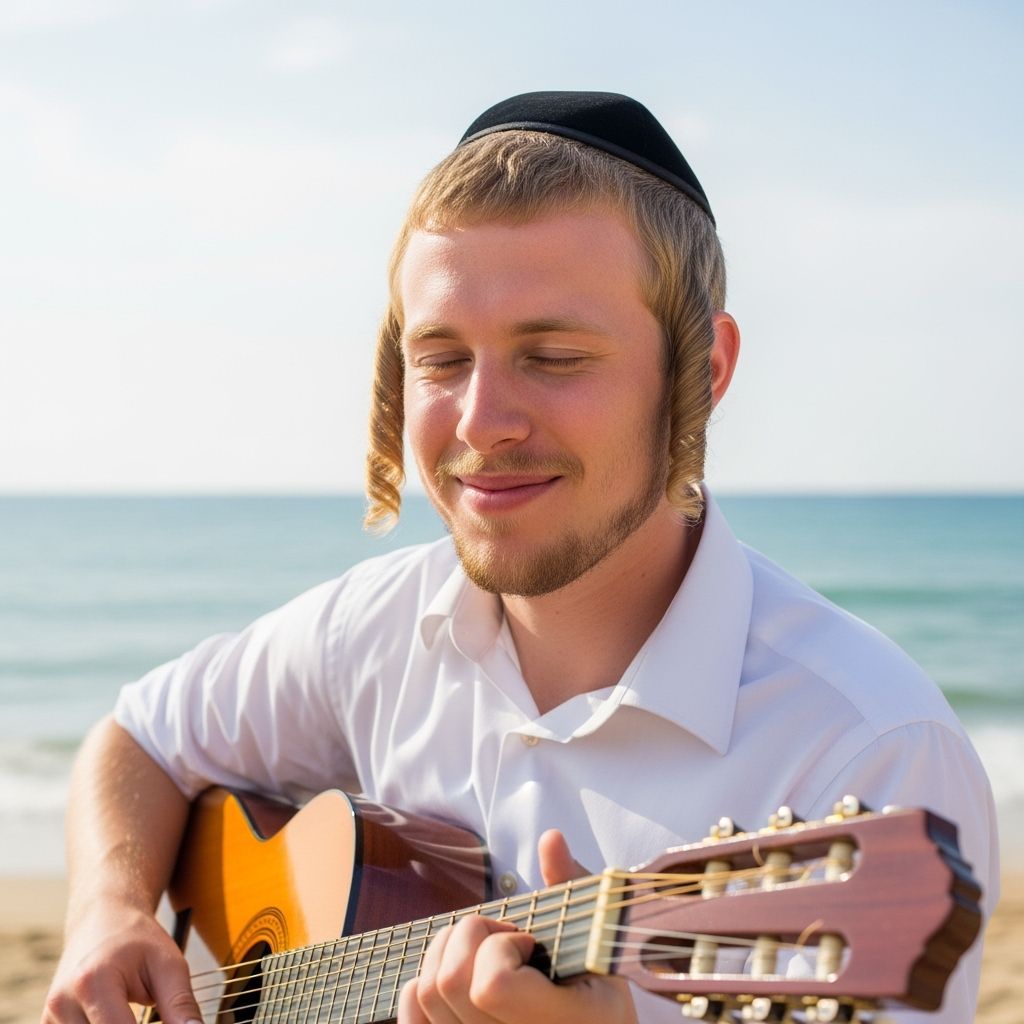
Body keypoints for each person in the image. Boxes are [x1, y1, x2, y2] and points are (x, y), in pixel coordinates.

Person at [43, 92, 998, 1024]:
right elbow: (142, 739)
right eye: (443, 358)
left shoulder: (866, 749)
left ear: (703, 371)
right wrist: (107, 911)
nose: (481, 423)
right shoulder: (372, 630)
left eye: (554, 355)